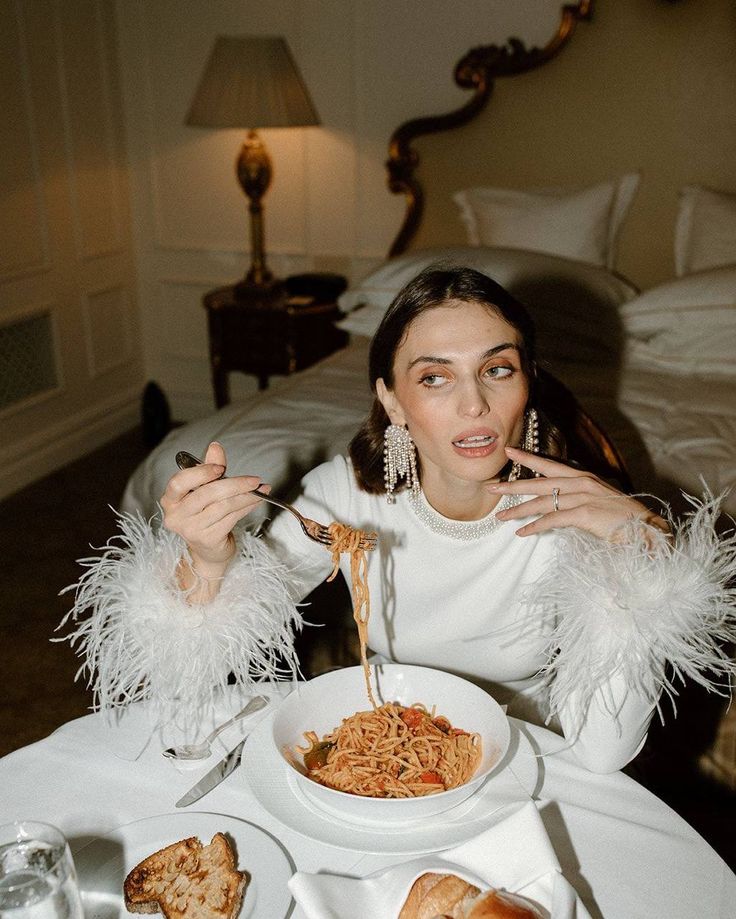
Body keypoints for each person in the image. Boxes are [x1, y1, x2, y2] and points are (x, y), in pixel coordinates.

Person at [61, 266, 736, 774]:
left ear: (526, 380)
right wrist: (210, 563)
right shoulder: (347, 497)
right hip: (387, 748)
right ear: (392, 400)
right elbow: (207, 658)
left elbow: (603, 752)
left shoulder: (572, 516)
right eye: (435, 378)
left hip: (527, 759)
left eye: (496, 369)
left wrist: (643, 564)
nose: (474, 404)